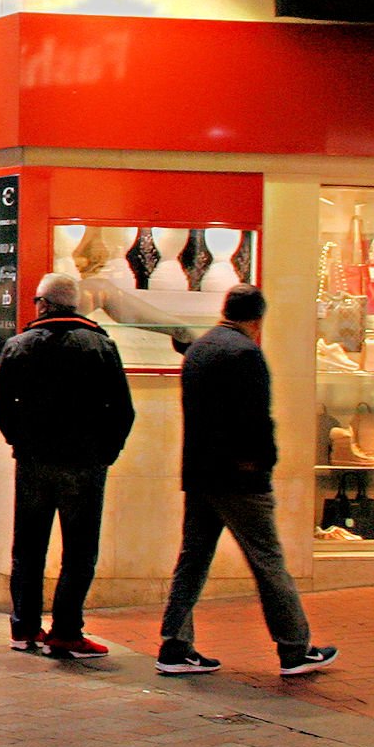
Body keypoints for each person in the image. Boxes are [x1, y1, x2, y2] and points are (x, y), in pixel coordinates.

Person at [156, 286, 337, 679]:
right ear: (256, 321)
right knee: (268, 560)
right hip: (240, 476)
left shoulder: (200, 349)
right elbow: (255, 419)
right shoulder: (246, 354)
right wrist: (262, 465)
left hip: (201, 473)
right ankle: (294, 648)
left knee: (193, 559)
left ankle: (174, 644)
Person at [0, 273, 135, 660]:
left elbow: (0, 406)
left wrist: (18, 440)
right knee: (80, 551)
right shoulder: (101, 346)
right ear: (75, 304)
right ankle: (67, 631)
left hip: (34, 463)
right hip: (85, 465)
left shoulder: (19, 347)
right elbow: (122, 410)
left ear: (42, 303)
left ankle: (24, 628)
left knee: (28, 549)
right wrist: (106, 452)